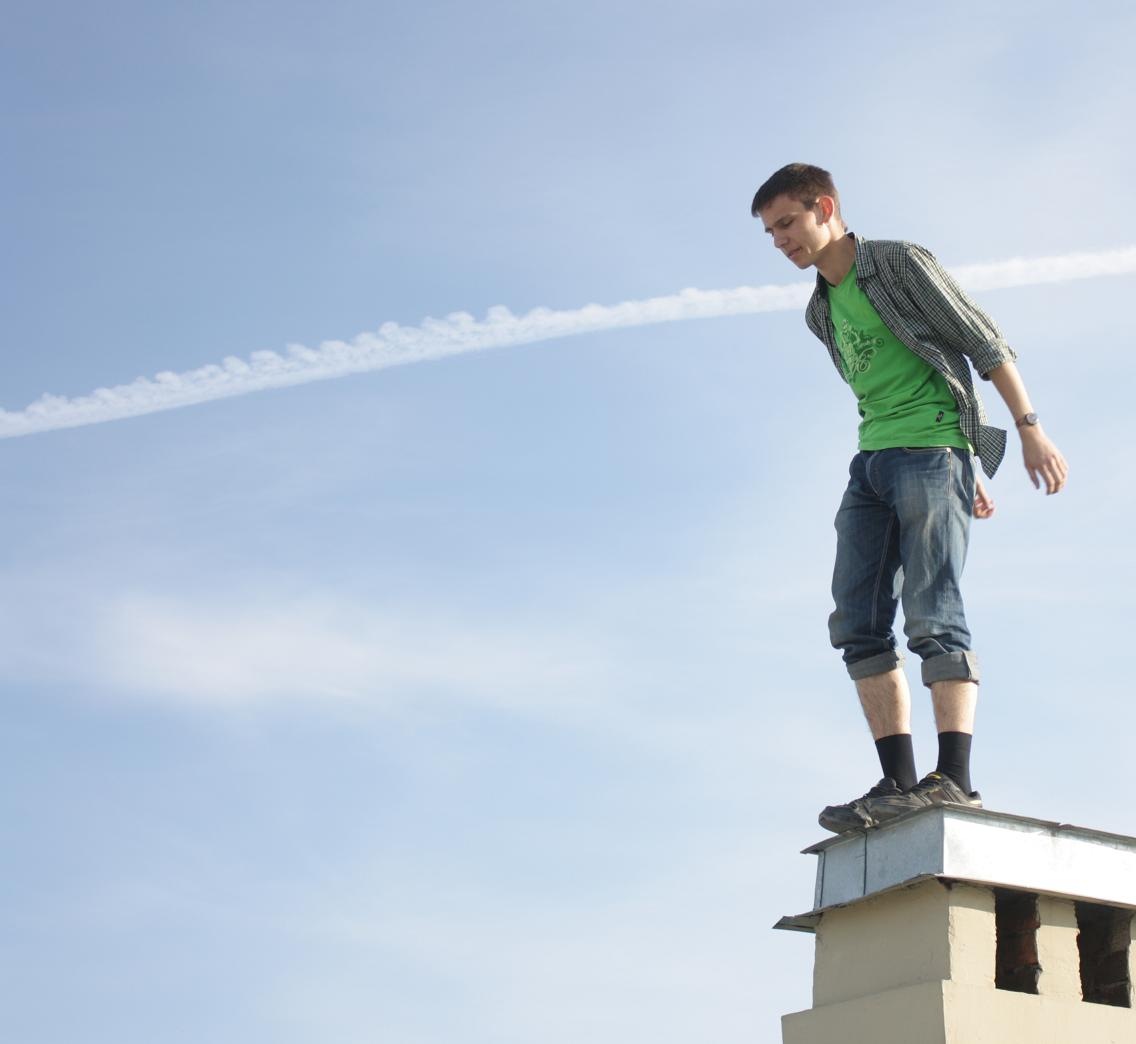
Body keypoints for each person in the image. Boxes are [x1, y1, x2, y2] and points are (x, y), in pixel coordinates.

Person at [751, 163, 1068, 833]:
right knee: (856, 622)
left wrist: (1024, 431)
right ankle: (897, 782)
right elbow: (879, 388)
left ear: (824, 208)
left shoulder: (898, 264)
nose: (780, 240)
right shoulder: (818, 310)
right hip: (872, 463)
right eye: (770, 232)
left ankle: (953, 779)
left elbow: (983, 344)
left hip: (930, 453)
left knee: (933, 610)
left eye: (787, 223)